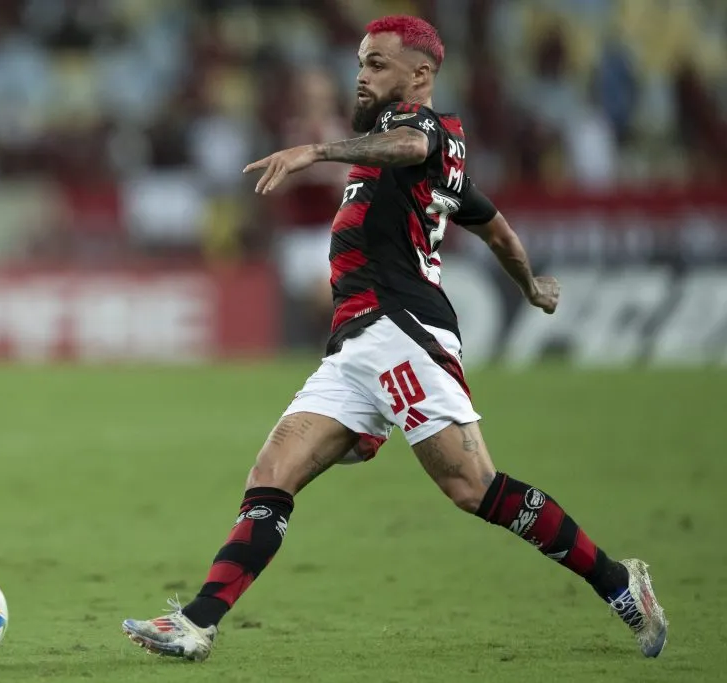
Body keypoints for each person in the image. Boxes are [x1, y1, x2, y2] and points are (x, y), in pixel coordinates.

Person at [121, 15, 667, 661]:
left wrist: (317, 150)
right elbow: (492, 225)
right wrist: (529, 285)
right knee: (272, 474)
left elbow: (411, 149)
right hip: (357, 343)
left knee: (474, 488)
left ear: (421, 75)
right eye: (361, 59)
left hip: (402, 330)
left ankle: (619, 583)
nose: (362, 72)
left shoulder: (422, 131)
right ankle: (196, 622)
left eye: (378, 62)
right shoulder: (420, 151)